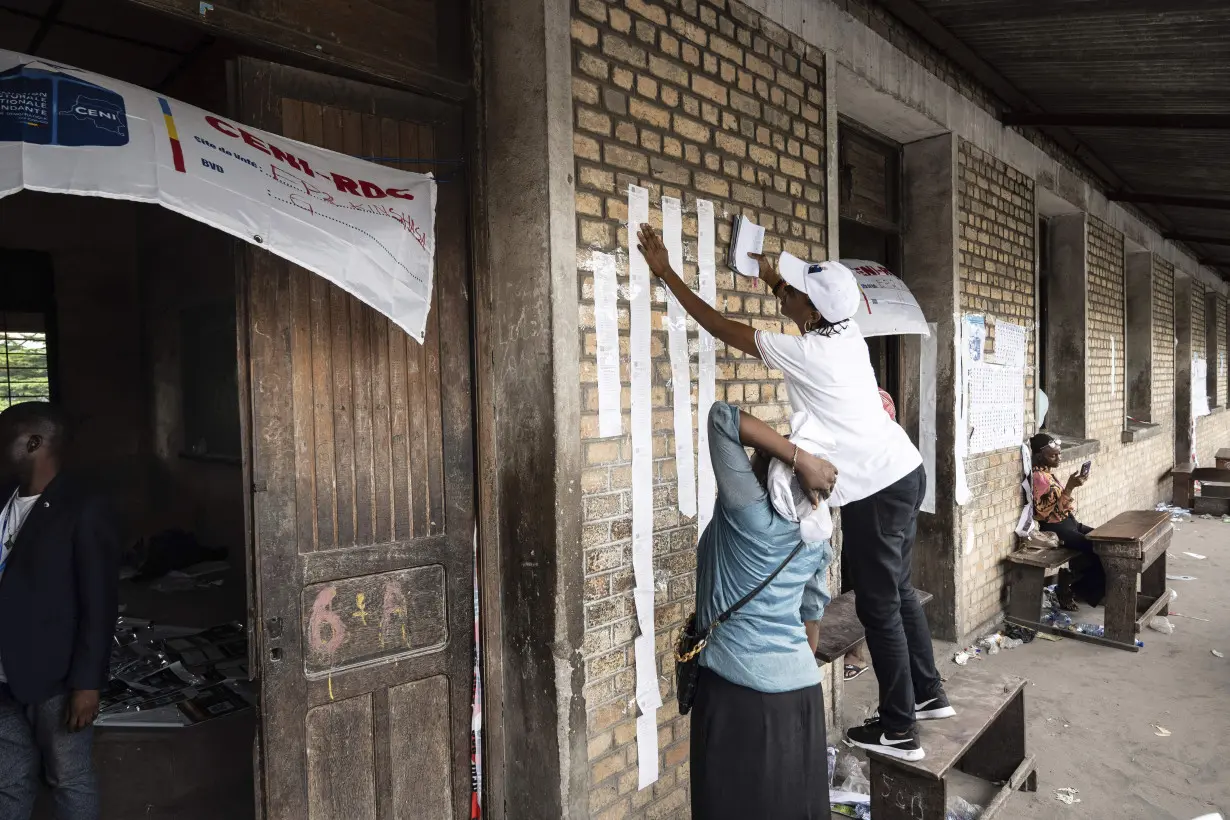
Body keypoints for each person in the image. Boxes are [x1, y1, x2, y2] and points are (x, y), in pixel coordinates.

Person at [637, 225, 949, 762]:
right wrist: (771, 280)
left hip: (876, 489)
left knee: (879, 607)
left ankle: (899, 729)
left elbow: (717, 325)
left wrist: (666, 273)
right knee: (898, 590)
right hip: (904, 470)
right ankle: (928, 693)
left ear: (811, 310)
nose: (790, 295)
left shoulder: (807, 353)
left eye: (797, 291)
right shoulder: (846, 332)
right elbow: (804, 307)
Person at [690, 400, 838, 819]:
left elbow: (723, 418)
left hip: (737, 694)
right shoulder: (813, 536)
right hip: (801, 696)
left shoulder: (746, 514)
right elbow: (813, 611)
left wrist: (796, 456)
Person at [0, 403, 119, 820]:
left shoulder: (82, 507)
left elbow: (99, 602)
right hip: (2, 675)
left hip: (55, 675)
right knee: (8, 779)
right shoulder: (3, 500)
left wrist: (88, 684)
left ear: (34, 443)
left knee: (68, 779)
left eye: (4, 436)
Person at [842, 386, 899, 682]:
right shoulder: (864, 396)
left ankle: (856, 654)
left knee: (864, 586)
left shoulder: (874, 399)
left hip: (871, 504)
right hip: (860, 508)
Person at [1029, 433, 1105, 610]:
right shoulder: (1038, 478)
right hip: (1057, 528)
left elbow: (1060, 505)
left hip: (1069, 522)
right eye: (1053, 455)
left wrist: (1070, 488)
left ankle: (1078, 585)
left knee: (1104, 539)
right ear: (1040, 456)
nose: (1058, 458)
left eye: (1059, 453)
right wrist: (1070, 487)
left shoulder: (1047, 474)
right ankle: (1080, 590)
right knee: (1096, 548)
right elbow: (1045, 512)